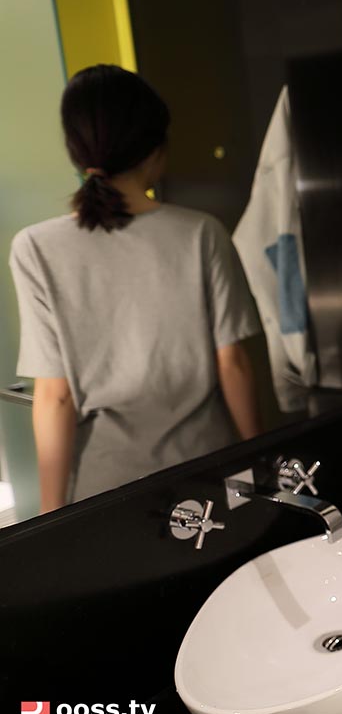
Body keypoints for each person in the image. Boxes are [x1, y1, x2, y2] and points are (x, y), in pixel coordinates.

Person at [8, 64, 262, 513]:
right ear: (156, 150)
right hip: (206, 475)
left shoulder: (34, 248)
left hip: (106, 490)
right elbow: (234, 364)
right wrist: (257, 463)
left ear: (75, 150)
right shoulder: (201, 233)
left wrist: (51, 517)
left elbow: (55, 396)